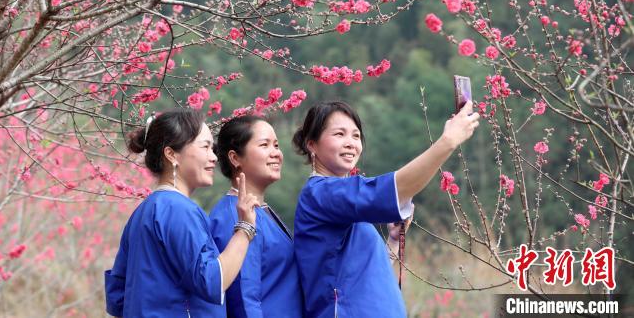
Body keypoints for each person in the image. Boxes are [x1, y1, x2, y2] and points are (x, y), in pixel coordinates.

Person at [292, 100, 479, 317]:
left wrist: (392, 241)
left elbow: (361, 274)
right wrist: (447, 141)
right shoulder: (320, 193)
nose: (351, 143)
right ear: (312, 144)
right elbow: (397, 188)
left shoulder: (341, 202)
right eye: (339, 134)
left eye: (355, 135)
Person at [105, 108, 260, 317]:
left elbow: (117, 298)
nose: (213, 157)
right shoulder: (178, 209)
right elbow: (213, 281)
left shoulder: (143, 212)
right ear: (171, 154)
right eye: (205, 147)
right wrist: (245, 228)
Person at [210, 115, 304, 318]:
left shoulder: (261, 210)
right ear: (235, 158)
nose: (276, 153)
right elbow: (244, 297)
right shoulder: (233, 215)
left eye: (276, 145)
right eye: (264, 145)